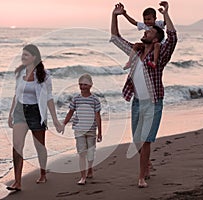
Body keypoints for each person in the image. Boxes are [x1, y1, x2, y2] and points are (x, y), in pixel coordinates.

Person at [110, 1, 177, 188]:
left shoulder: (161, 54)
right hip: (138, 102)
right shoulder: (136, 51)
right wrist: (115, 15)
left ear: (156, 38)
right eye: (145, 30)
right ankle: (146, 163)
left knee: (145, 141)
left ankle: (141, 177)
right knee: (137, 140)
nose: (145, 31)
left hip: (153, 102)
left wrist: (166, 14)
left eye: (149, 31)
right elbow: (116, 37)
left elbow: (172, 38)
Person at [6, 44, 63, 191]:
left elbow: (49, 98)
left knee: (39, 146)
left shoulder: (44, 75)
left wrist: (55, 120)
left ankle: (43, 172)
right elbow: (15, 94)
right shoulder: (19, 73)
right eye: (22, 54)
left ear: (34, 57)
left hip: (36, 112)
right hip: (20, 111)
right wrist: (11, 114)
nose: (23, 57)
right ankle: (17, 182)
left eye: (26, 55)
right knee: (17, 147)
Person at [62, 74, 102, 185]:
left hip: (91, 130)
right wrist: (63, 124)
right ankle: (83, 177)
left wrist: (100, 133)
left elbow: (98, 116)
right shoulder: (76, 99)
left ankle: (90, 169)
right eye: (80, 84)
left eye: (85, 84)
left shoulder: (95, 100)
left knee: (90, 152)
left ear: (90, 85)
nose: (82, 87)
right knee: (82, 153)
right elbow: (70, 112)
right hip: (79, 129)